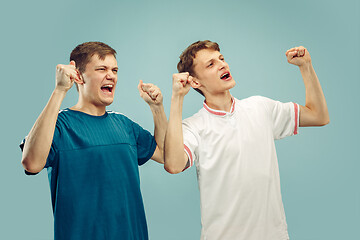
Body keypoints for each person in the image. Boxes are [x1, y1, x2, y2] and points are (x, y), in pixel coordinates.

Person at [164, 40, 329, 240]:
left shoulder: (260, 107)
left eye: (221, 59)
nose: (222, 65)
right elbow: (173, 165)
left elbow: (318, 116)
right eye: (211, 64)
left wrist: (306, 67)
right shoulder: (194, 127)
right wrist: (177, 98)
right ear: (195, 82)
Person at [20, 42, 167, 240]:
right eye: (102, 69)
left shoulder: (125, 125)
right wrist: (60, 91)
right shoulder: (59, 126)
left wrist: (157, 109)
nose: (111, 75)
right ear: (78, 76)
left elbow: (168, 155)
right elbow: (32, 163)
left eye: (114, 70)